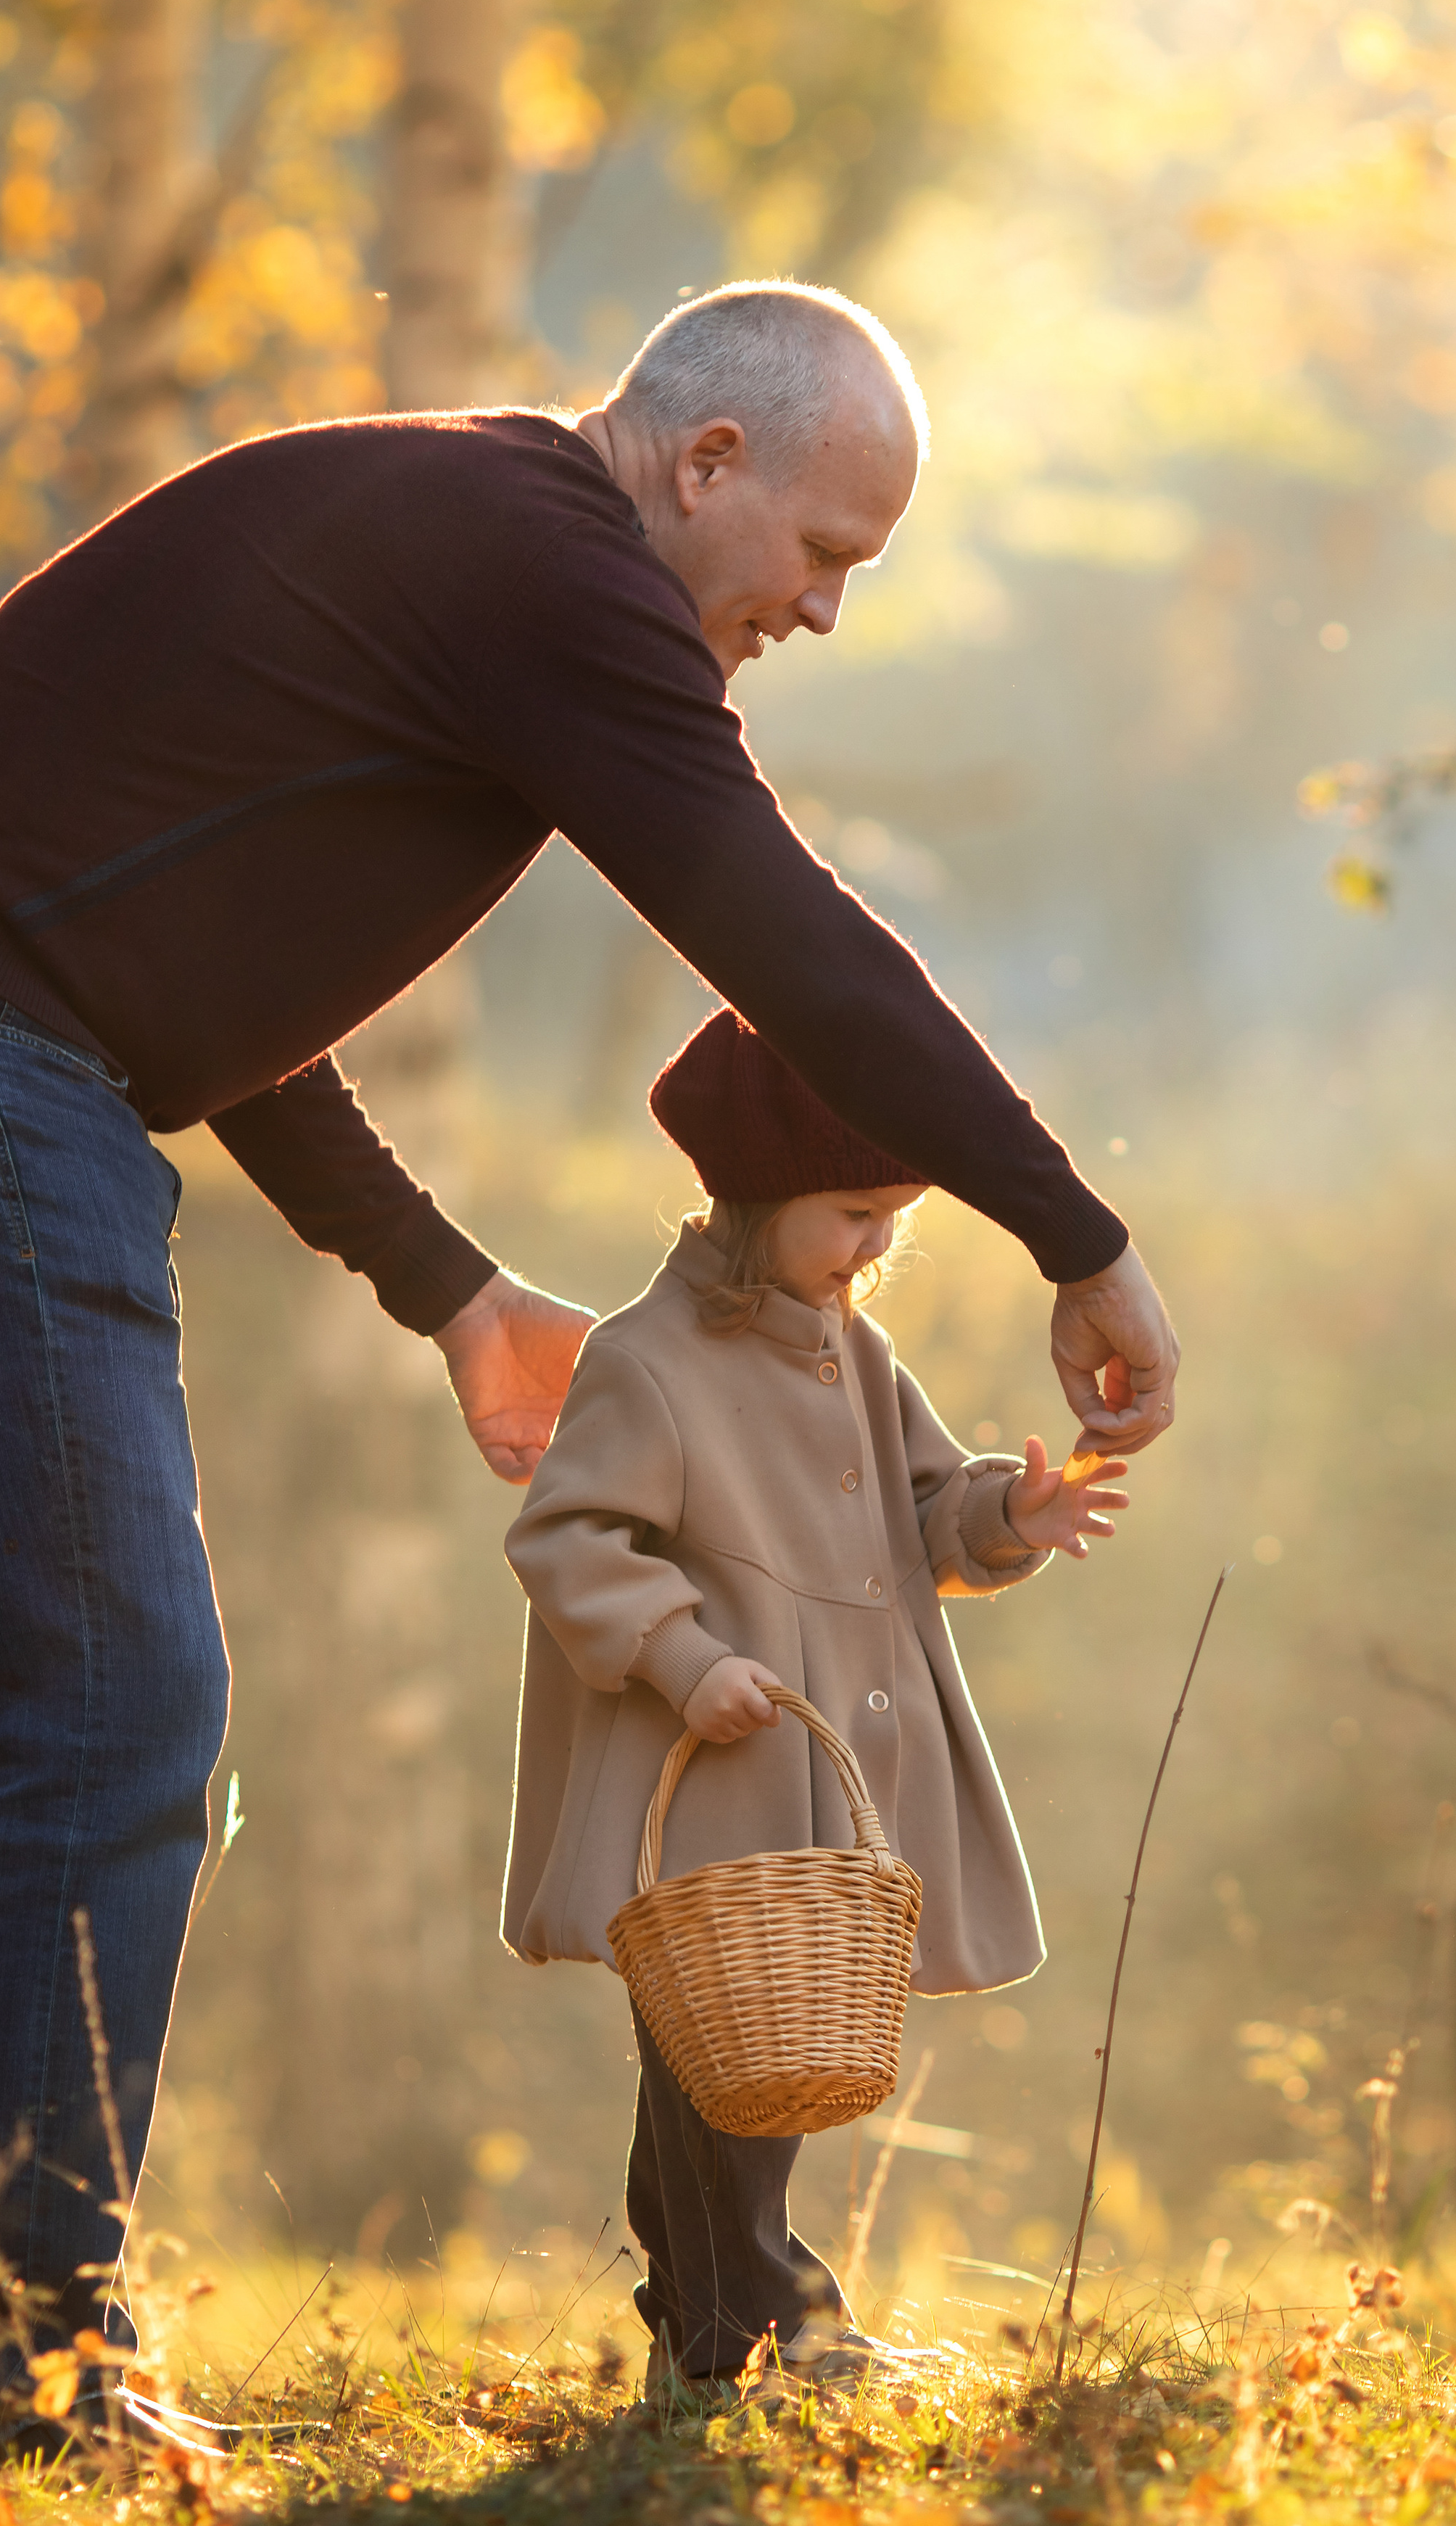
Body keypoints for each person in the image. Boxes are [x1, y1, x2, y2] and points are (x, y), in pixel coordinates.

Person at [0, 278, 1178, 2464]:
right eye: (825, 550)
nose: (822, 609)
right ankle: (11, 2373)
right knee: (114, 1704)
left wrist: (443, 1285)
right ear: (704, 461)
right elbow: (791, 943)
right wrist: (1074, 1237)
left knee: (29, 1714)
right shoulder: (556, 572)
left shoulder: (460, 541)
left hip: (13, 1053)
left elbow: (171, 970)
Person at [502, 1010, 1132, 2393]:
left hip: (829, 1768)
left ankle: (704, 2342)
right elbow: (569, 1539)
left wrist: (1009, 1513)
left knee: (753, 2063)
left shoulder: (857, 1351)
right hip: (711, 1771)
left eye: (896, 1217)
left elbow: (925, 1506)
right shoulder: (647, 1359)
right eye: (854, 1213)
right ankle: (776, 2331)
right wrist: (687, 1658)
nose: (877, 1244)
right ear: (758, 1193)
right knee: (721, 2065)